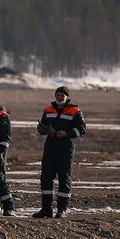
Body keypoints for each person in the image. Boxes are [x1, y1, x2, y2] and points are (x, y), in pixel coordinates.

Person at [35, 85, 86, 218]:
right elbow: (43, 126)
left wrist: (66, 133)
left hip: (65, 149)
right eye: (57, 95)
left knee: (64, 179)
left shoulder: (74, 110)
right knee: (46, 178)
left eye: (62, 95)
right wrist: (41, 129)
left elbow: (82, 129)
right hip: (50, 148)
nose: (59, 97)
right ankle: (46, 209)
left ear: (67, 97)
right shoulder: (48, 109)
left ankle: (61, 210)